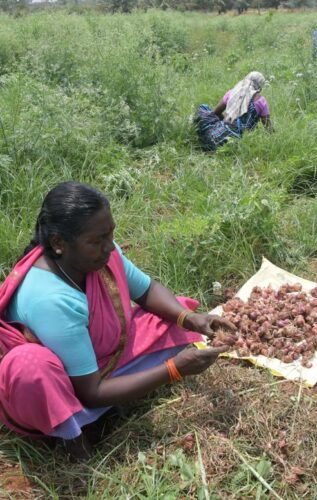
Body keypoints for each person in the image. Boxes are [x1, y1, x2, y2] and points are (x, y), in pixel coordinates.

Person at [0, 182, 234, 459]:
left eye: (110, 234)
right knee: (32, 368)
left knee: (174, 313)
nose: (110, 247)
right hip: (64, 385)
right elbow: (91, 392)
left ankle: (119, 395)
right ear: (58, 243)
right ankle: (72, 433)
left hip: (93, 357)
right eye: (97, 241)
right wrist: (174, 370)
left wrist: (191, 319)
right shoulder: (50, 299)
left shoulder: (96, 256)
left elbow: (146, 290)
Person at [195, 71, 271, 152]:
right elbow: (268, 127)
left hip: (212, 138)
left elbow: (216, 113)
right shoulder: (260, 101)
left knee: (203, 108)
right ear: (260, 88)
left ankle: (206, 138)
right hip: (235, 141)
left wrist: (226, 121)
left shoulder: (232, 92)